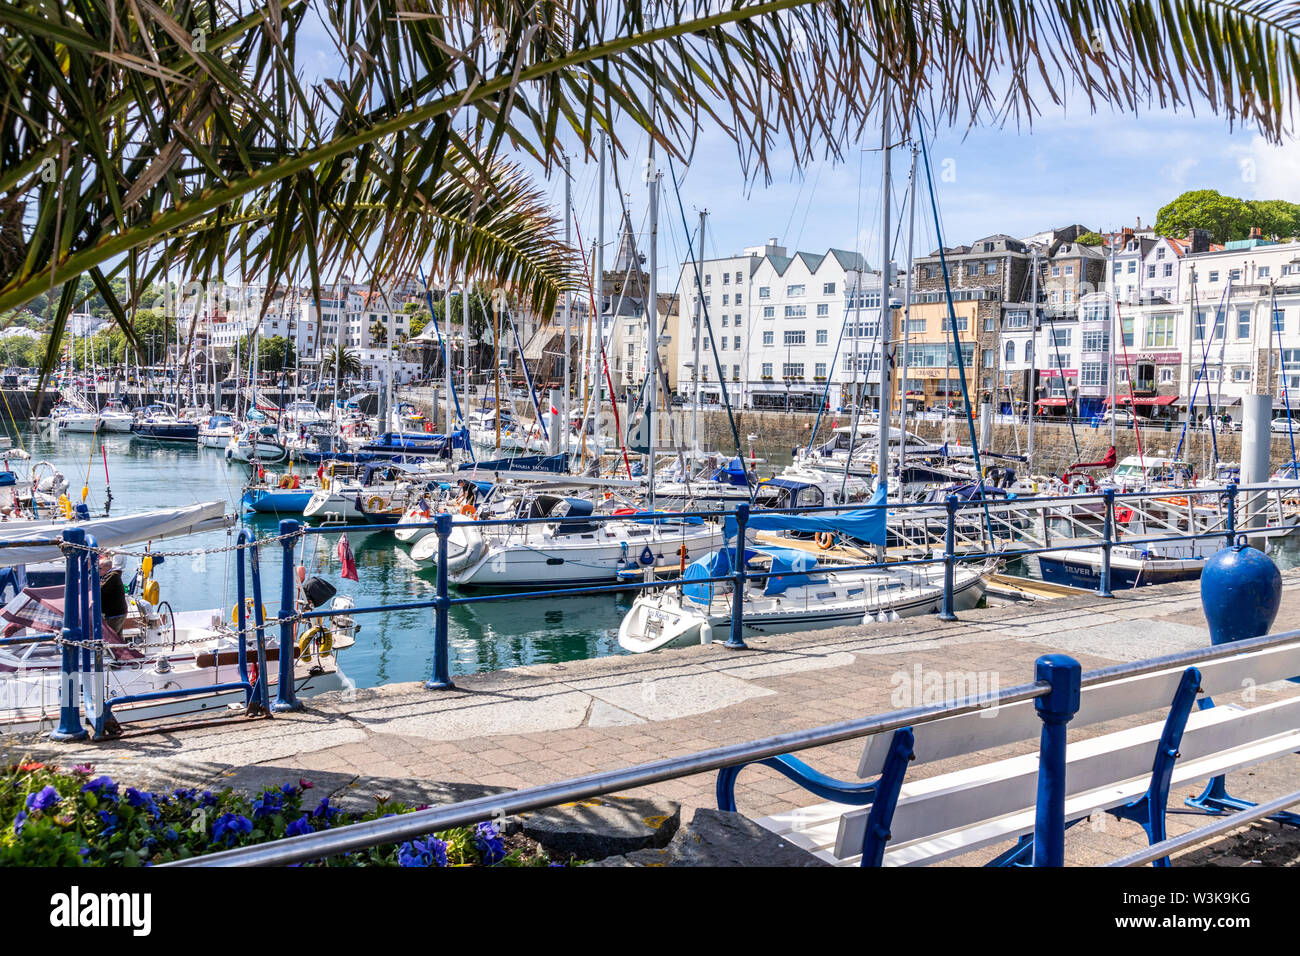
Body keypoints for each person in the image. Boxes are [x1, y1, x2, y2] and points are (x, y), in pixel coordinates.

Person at [98, 554, 128, 635]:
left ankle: (117, 648)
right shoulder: (108, 575)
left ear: (107, 568)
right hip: (116, 613)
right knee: (117, 636)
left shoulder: (113, 576)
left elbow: (100, 589)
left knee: (111, 637)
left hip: (115, 615)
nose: (97, 570)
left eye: (99, 568)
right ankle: (121, 647)